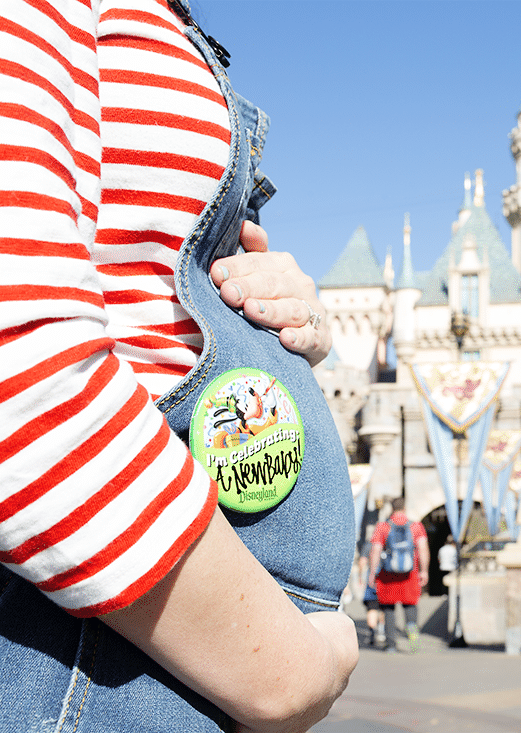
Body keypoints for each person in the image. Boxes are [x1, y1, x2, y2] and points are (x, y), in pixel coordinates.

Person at [1, 2, 357, 731]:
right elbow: (20, 359)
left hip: (161, 657)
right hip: (103, 658)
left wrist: (279, 323)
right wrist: (286, 670)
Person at [368, 497, 429, 652]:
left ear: (391, 509)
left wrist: (372, 573)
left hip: (387, 574)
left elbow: (375, 550)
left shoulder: (383, 527)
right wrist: (424, 571)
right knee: (410, 603)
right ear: (405, 508)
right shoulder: (416, 526)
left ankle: (391, 644)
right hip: (410, 574)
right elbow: (423, 549)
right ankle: (411, 626)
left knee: (388, 608)